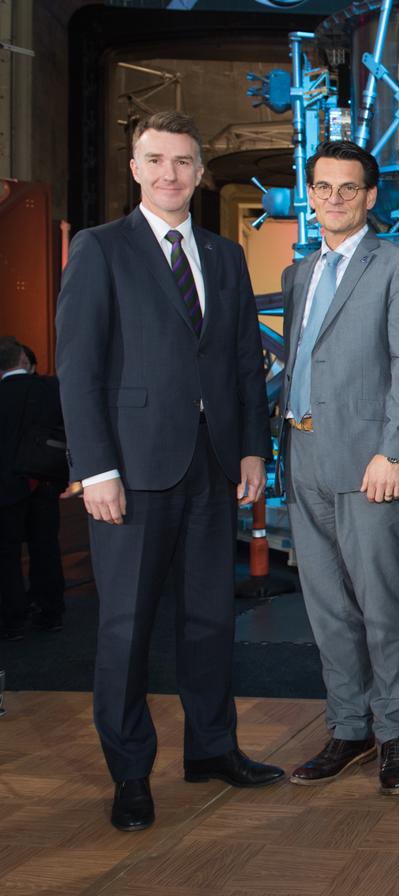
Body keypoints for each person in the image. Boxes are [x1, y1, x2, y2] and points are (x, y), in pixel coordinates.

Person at [56, 111, 282, 833]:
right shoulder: (100, 250)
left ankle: (212, 749)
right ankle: (130, 774)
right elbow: (79, 371)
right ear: (134, 168)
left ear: (199, 169)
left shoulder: (223, 257)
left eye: (183, 161)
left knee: (210, 621)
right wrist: (96, 470)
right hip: (133, 473)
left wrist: (253, 449)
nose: (170, 174)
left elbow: (245, 360)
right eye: (156, 160)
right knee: (125, 630)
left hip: (212, 468)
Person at [279, 141, 399, 796]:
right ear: (309, 194)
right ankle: (350, 728)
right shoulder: (300, 273)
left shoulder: (397, 265)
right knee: (327, 610)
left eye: (349, 187)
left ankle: (395, 732)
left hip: (369, 459)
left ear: (371, 197)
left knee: (380, 605)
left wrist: (392, 450)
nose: (334, 198)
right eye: (323, 187)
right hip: (303, 452)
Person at [0, 337, 66, 639]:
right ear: (23, 361)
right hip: (45, 481)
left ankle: (14, 618)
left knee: (7, 554)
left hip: (7, 486)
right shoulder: (50, 389)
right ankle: (50, 611)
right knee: (46, 548)